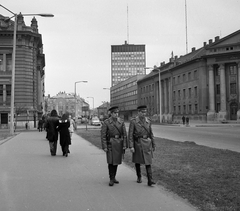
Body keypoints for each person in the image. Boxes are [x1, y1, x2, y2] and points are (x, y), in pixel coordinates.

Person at [128, 105, 156, 186]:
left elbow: (151, 134)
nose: (144, 114)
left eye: (145, 112)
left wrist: (153, 144)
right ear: (138, 112)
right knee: (138, 161)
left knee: (148, 162)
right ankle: (139, 177)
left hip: (147, 143)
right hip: (138, 143)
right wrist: (131, 146)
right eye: (142, 112)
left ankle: (150, 180)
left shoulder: (148, 121)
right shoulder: (133, 122)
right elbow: (130, 135)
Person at [101, 106, 127, 186]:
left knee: (116, 162)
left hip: (118, 143)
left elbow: (124, 135)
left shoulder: (121, 122)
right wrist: (104, 146)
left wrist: (124, 145)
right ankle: (111, 178)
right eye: (114, 113)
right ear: (111, 113)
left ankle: (114, 176)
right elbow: (103, 135)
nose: (116, 114)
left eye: (117, 113)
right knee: (110, 162)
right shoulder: (106, 122)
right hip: (110, 143)